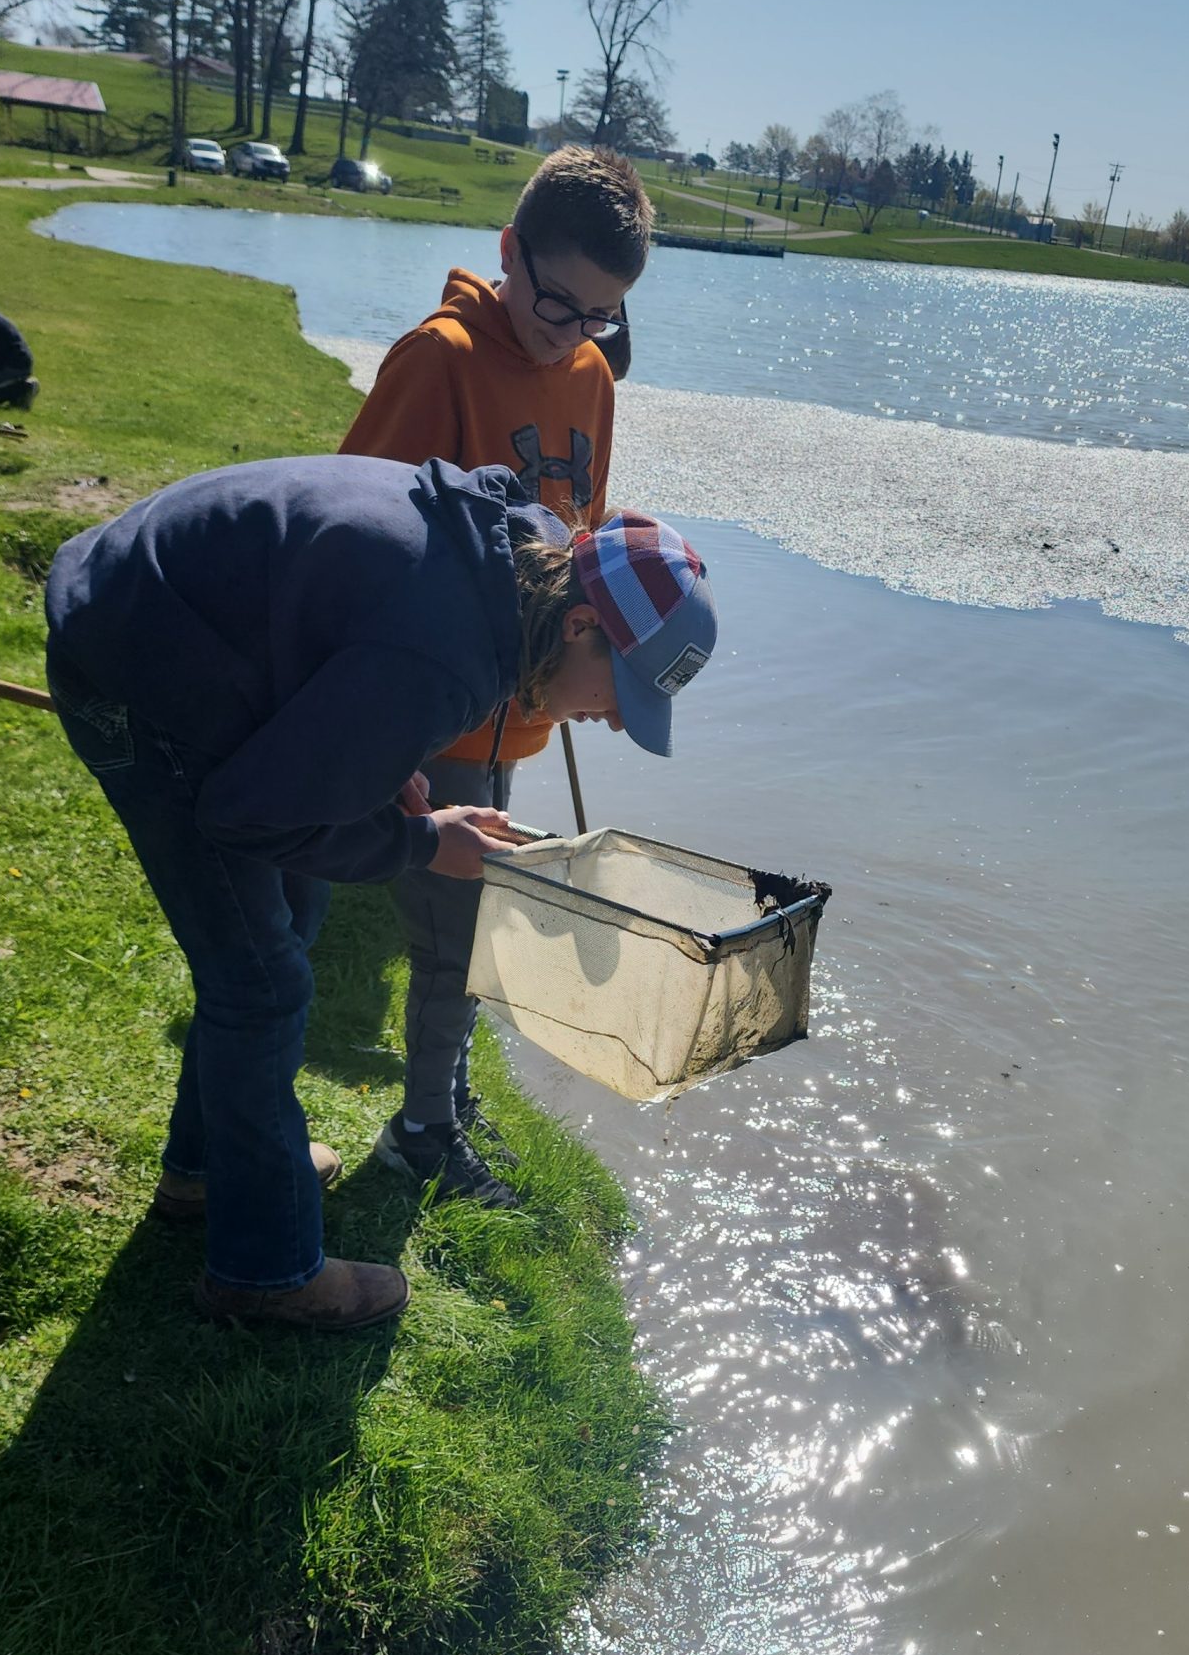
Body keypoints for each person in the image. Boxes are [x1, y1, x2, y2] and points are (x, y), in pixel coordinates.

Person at [43, 453, 716, 1333]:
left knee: (297, 908)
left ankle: (205, 1174)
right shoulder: (445, 657)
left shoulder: (514, 565)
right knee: (259, 984)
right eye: (622, 690)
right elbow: (245, 816)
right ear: (583, 622)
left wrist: (383, 765)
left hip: (179, 614)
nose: (617, 718)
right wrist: (423, 844)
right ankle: (263, 1272)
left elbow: (347, 652)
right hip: (128, 658)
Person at [339, 145, 651, 1209]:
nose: (571, 330)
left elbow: (580, 538)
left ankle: (450, 1095)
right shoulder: (439, 361)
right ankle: (422, 1132)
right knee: (452, 932)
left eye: (600, 314)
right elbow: (354, 534)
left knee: (477, 920)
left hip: (518, 706)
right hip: (437, 704)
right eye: (557, 301)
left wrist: (597, 675)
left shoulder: (592, 373)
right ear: (510, 250)